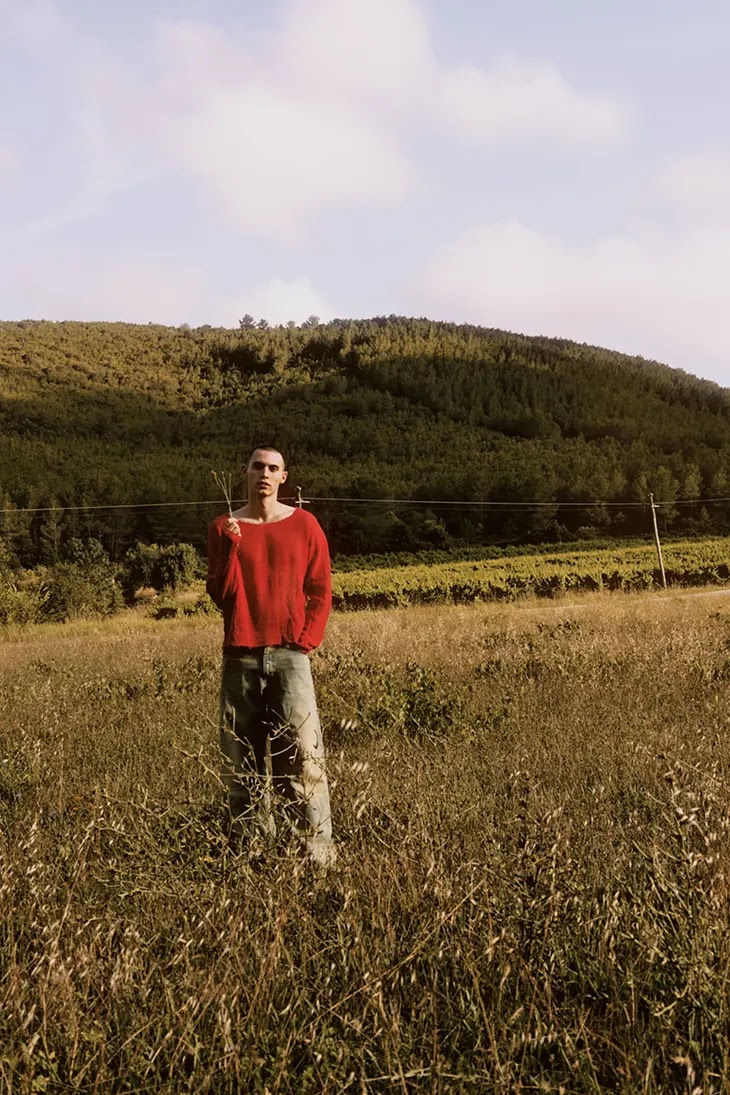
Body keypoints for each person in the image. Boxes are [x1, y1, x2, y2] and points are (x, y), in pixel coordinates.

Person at [206, 445, 334, 866]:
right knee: (240, 762)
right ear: (245, 472)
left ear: (283, 478)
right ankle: (252, 857)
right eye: (257, 466)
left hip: (290, 657)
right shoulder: (223, 527)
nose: (264, 473)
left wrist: (305, 641)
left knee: (303, 762)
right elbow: (221, 595)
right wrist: (231, 548)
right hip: (239, 656)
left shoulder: (304, 524)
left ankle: (315, 860)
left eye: (272, 468)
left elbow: (321, 588)